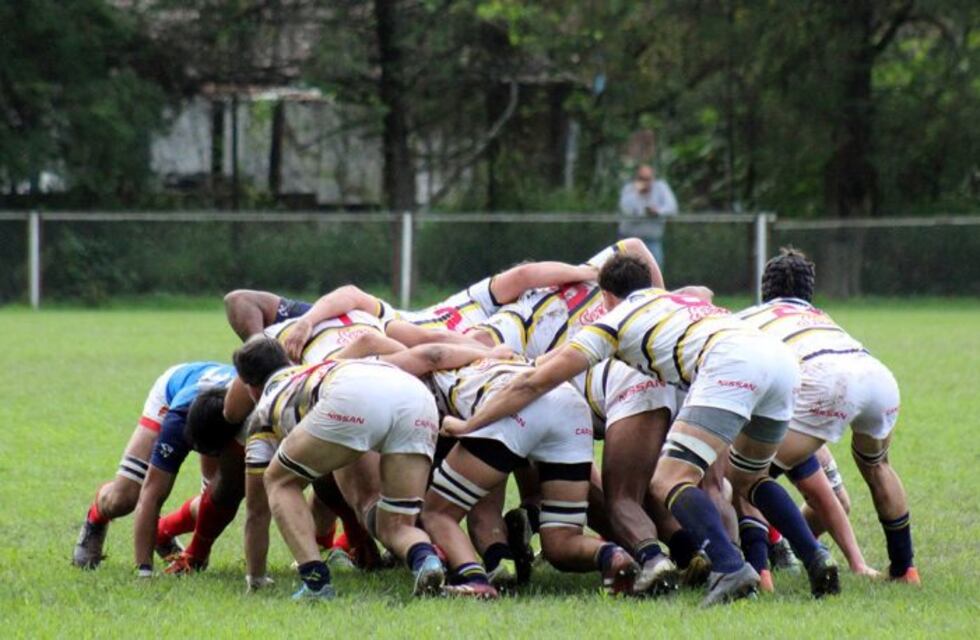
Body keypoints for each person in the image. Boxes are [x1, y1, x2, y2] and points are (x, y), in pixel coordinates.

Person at [443, 254, 840, 606]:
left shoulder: (611, 321)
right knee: (749, 478)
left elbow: (533, 383)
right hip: (779, 360)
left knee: (668, 480)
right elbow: (701, 291)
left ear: (606, 296)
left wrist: (469, 423)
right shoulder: (677, 299)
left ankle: (730, 567)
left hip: (729, 364)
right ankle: (816, 556)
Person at [235, 335, 497, 600]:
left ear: (251, 388)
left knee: (279, 481)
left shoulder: (265, 409)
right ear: (287, 362)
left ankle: (315, 583)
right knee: (396, 523)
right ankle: (426, 560)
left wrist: (256, 578)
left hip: (352, 400)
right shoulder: (322, 366)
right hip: (416, 396)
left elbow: (257, 511)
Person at [736, 248, 917, 585]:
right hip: (876, 375)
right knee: (878, 466)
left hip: (826, 381)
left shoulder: (751, 317)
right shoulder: (820, 316)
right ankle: (905, 569)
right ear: (809, 291)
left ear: (765, 289)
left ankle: (761, 572)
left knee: (748, 475)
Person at [422, 354, 639, 598]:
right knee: (561, 540)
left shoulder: (432, 367)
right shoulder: (496, 354)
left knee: (437, 512)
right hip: (570, 405)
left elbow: (429, 354)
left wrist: (467, 426)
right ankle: (611, 555)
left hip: (511, 404)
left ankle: (475, 580)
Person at [72, 362, 235, 569]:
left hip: (223, 412)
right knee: (125, 498)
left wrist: (195, 554)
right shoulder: (176, 420)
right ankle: (96, 516)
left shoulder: (248, 418)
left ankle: (161, 532)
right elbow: (151, 493)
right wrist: (144, 571)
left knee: (215, 502)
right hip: (174, 396)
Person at [618, 164, 678, 266]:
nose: (645, 182)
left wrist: (658, 212)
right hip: (629, 241)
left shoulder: (661, 187)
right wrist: (637, 194)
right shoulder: (629, 189)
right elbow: (627, 210)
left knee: (654, 272)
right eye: (642, 178)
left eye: (648, 179)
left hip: (652, 241)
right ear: (636, 178)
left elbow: (672, 208)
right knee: (625, 271)